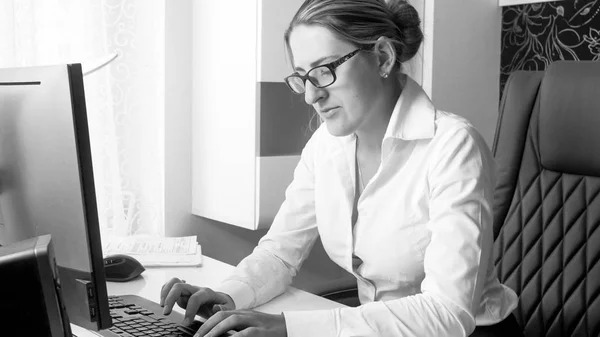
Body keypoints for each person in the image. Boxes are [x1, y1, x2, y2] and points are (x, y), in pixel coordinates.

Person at [161, 0, 522, 336]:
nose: (310, 95)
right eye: (302, 76)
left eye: (323, 71)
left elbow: (448, 312)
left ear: (382, 57)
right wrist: (229, 297)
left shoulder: (453, 146)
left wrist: (291, 328)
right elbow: (280, 253)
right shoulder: (326, 145)